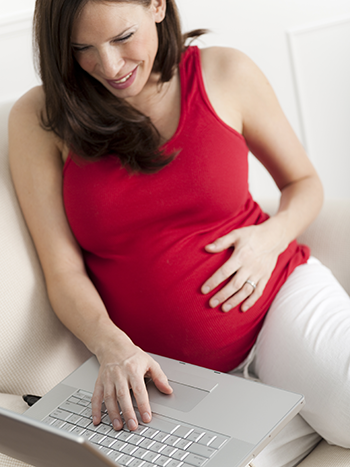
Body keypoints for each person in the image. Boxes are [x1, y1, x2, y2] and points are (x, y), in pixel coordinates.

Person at [8, 0, 350, 466]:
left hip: (280, 304)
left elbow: (304, 184)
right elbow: (62, 271)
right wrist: (113, 347)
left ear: (156, 5)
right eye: (81, 48)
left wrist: (269, 239)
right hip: (171, 376)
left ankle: (293, 412)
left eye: (122, 38)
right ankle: (287, 421)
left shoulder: (225, 72)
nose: (107, 66)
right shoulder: (41, 118)